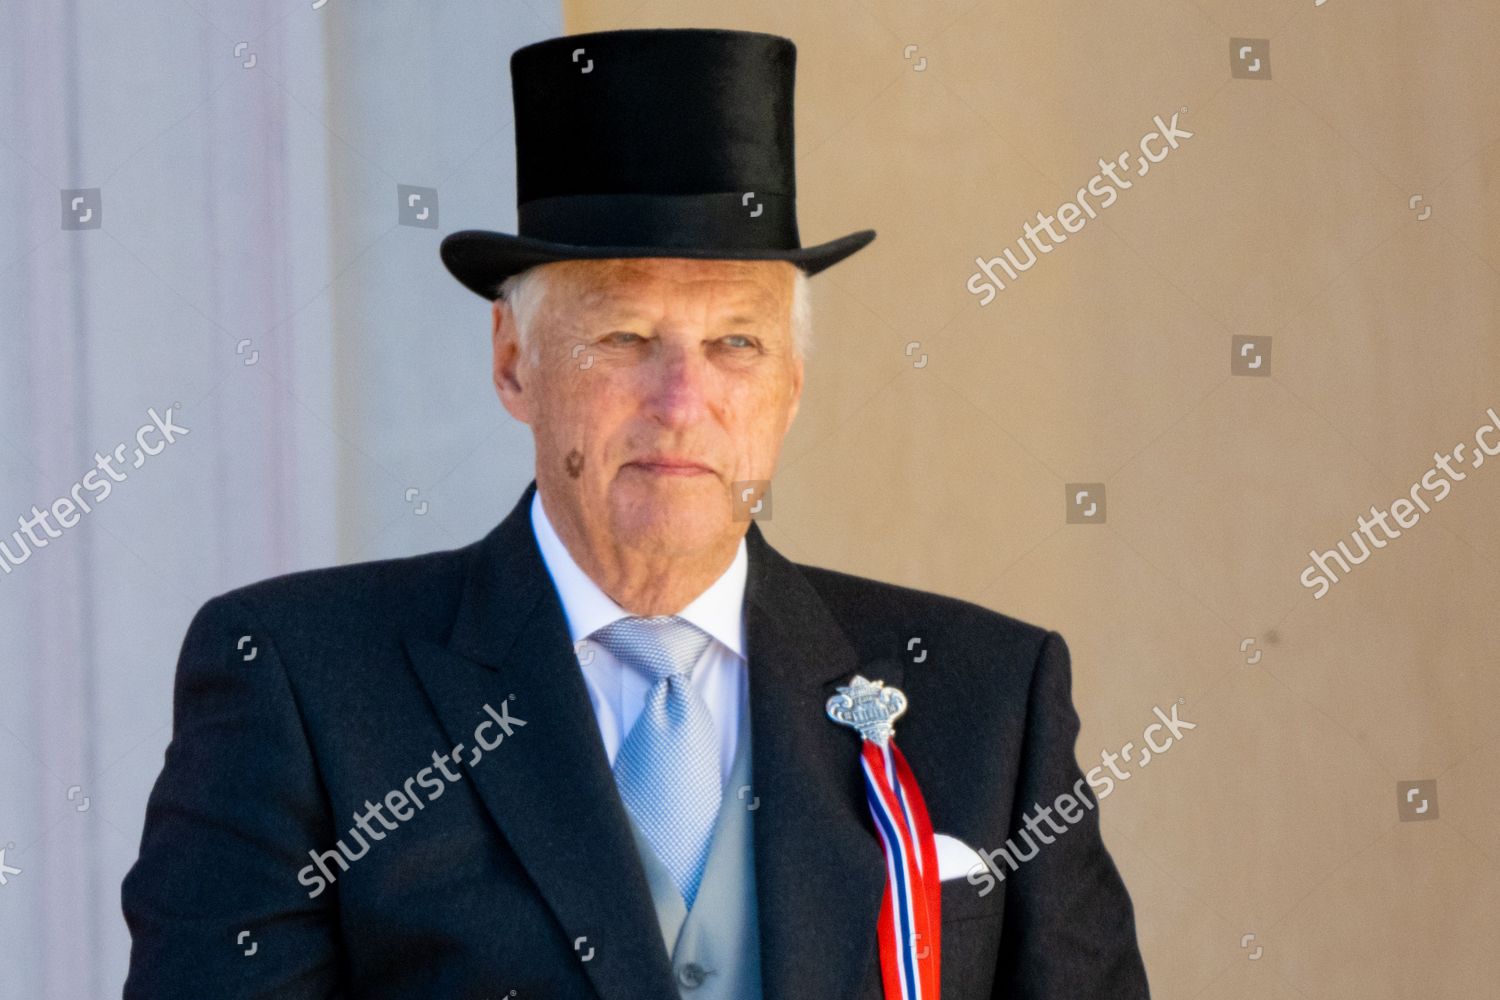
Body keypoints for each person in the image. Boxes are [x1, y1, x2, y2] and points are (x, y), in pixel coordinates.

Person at [122, 27, 1149, 1000]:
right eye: (622, 336)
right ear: (514, 363)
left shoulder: (991, 697)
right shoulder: (300, 683)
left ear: (791, 386)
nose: (679, 400)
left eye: (735, 345)